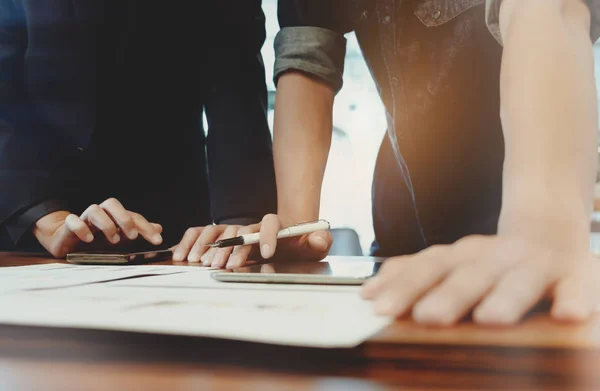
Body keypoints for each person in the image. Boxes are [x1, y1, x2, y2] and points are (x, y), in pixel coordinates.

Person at [175, 0, 600, 325]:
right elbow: (308, 63)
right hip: (402, 227)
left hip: (510, 220)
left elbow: (549, 12)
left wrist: (541, 229)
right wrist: (292, 224)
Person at [0, 0, 276, 257]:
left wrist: (242, 221)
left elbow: (235, 70)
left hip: (169, 223)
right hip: (24, 215)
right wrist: (45, 217)